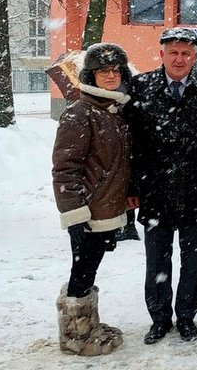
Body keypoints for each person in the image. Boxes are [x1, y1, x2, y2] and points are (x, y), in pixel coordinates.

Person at [125, 27, 197, 344]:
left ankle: (186, 317)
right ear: (162, 54)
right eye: (173, 52)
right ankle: (159, 318)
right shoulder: (140, 88)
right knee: (157, 260)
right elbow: (132, 143)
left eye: (186, 53)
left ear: (195, 56)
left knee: (192, 261)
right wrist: (132, 186)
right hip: (156, 190)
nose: (179, 59)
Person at [52, 43, 132, 356]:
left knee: (88, 269)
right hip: (88, 211)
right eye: (103, 70)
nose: (111, 76)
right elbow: (65, 168)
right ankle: (75, 337)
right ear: (91, 75)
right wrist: (75, 214)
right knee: (82, 272)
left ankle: (87, 326)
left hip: (105, 210)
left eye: (116, 70)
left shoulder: (112, 111)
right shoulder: (80, 112)